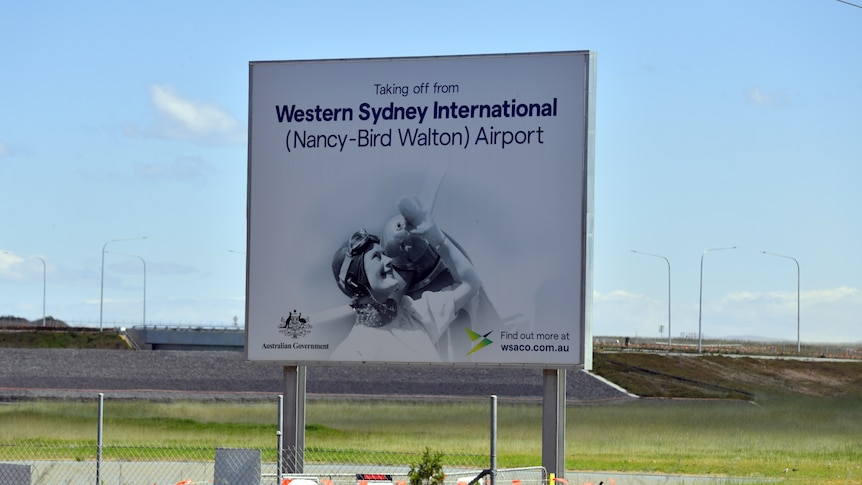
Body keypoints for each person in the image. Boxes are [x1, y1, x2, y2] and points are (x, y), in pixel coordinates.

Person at [329, 196, 482, 361]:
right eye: (376, 257)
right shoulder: (350, 353)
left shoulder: (413, 316)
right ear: (356, 281)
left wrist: (435, 236)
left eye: (384, 255)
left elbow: (470, 284)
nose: (389, 261)